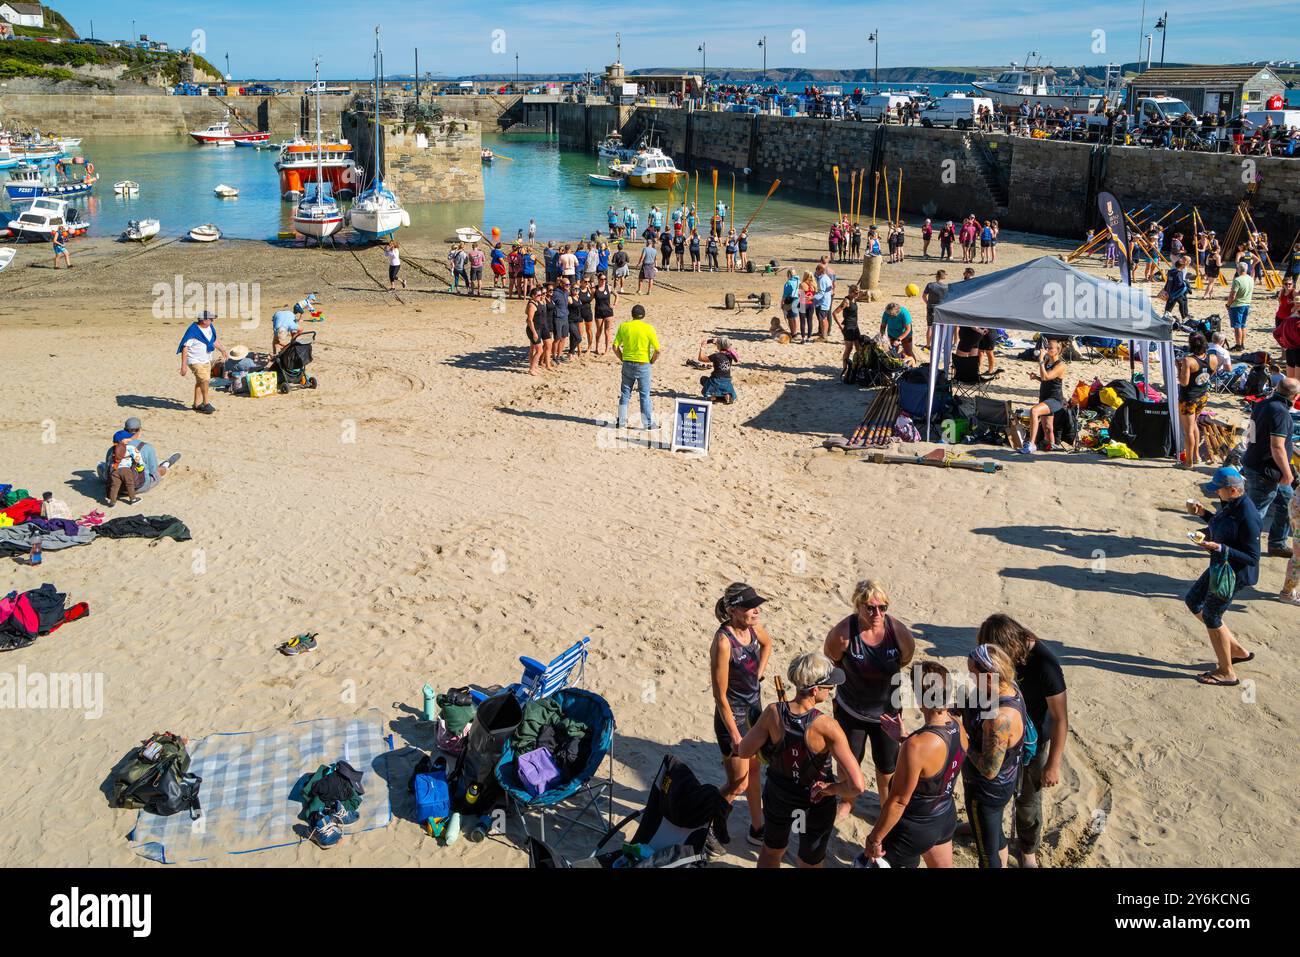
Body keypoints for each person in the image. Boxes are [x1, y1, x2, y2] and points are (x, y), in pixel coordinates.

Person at [735, 652, 866, 868]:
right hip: (814, 802)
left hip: (779, 795)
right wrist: (830, 789)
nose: (831, 689)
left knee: (771, 851)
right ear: (815, 690)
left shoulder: (773, 713)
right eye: (828, 687)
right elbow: (857, 785)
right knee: (808, 862)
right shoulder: (828, 727)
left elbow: (744, 751)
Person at [976, 615, 1067, 869]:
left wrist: (1054, 764)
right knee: (993, 787)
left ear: (1009, 647)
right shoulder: (1000, 659)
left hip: (1033, 740)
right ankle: (991, 829)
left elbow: (1060, 718)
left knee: (1027, 801)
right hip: (1002, 731)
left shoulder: (1045, 664)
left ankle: (1028, 851)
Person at [857, 661, 967, 868]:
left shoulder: (917, 746)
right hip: (944, 816)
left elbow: (899, 801)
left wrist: (874, 838)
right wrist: (905, 738)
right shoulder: (958, 725)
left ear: (920, 698)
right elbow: (938, 763)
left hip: (914, 827)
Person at [823, 578, 915, 822]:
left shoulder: (898, 633)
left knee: (887, 768)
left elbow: (905, 659)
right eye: (870, 608)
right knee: (848, 763)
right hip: (851, 711)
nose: (877, 613)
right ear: (858, 607)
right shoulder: (844, 633)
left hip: (887, 715)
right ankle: (848, 801)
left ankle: (886, 809)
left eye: (882, 607)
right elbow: (833, 658)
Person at [709, 583, 774, 846]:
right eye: (750, 607)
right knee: (738, 783)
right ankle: (710, 824)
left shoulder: (753, 628)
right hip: (732, 719)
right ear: (734, 610)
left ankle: (758, 829)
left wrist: (759, 674)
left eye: (757, 606)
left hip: (753, 713)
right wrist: (735, 734)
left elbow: (768, 645)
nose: (757, 611)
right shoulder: (724, 642)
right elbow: (720, 696)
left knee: (755, 771)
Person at [1184, 467, 1260, 686]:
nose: (1216, 493)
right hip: (1221, 565)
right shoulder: (1231, 504)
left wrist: (1219, 548)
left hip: (1234, 573)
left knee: (1211, 616)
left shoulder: (1248, 514)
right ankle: (1236, 650)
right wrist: (1203, 514)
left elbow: (1252, 557)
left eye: (1219, 490)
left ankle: (1227, 672)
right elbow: (1220, 523)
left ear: (1233, 490)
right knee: (1193, 600)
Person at [960, 644, 1030, 868]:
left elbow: (989, 770)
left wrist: (964, 744)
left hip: (985, 791)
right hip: (1005, 783)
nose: (970, 677)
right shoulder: (1010, 688)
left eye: (973, 672)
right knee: (994, 835)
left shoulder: (999, 718)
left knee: (986, 855)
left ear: (989, 676)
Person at [1241, 377, 1298, 558]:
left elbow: (1251, 433)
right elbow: (1277, 446)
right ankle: (1243, 549)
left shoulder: (1262, 404)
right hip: (1266, 471)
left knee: (1287, 504)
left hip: (1259, 464)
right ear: (1295, 396)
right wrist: (1288, 473)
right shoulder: (1280, 412)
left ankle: (1277, 544)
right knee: (1256, 512)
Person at [612, 303, 659, 430]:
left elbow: (615, 347)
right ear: (643, 315)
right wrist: (651, 361)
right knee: (644, 395)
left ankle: (621, 422)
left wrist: (622, 357)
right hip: (643, 364)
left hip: (627, 363)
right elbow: (658, 350)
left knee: (625, 394)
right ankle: (648, 424)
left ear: (632, 315)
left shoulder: (624, 327)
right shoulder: (648, 328)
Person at [1020, 336, 1068, 454]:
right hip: (1045, 397)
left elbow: (1046, 376)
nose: (1047, 349)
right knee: (1048, 428)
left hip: (1055, 399)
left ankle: (1031, 444)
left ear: (1058, 350)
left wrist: (1041, 360)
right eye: (1047, 347)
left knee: (1034, 411)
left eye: (1050, 348)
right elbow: (1044, 379)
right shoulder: (1047, 361)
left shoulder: (1060, 365)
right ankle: (1052, 449)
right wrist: (1036, 377)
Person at [1177, 332, 1217, 469]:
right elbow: (1210, 374)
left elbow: (1183, 382)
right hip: (1202, 396)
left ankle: (1189, 462)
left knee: (1188, 430)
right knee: (1194, 424)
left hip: (1189, 398)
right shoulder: (1212, 358)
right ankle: (1197, 456)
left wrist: (1179, 368)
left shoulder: (1189, 361)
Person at [177, 311, 226, 414]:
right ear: (203, 320)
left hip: (206, 359)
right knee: (205, 379)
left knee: (200, 382)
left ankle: (196, 404)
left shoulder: (210, 327)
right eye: (210, 319)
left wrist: (223, 350)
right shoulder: (193, 331)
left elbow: (213, 341)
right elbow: (185, 348)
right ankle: (206, 403)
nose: (212, 321)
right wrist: (183, 366)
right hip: (194, 360)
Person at [105, 430, 143, 507]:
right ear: (123, 440)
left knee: (114, 485)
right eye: (128, 438)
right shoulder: (129, 447)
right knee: (129, 483)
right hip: (125, 469)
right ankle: (133, 499)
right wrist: (140, 465)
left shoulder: (113, 449)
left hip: (114, 469)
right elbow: (137, 457)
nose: (130, 439)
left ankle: (112, 502)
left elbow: (109, 460)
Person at [831, 284, 863, 369]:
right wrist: (840, 326)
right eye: (856, 293)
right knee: (849, 349)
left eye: (858, 293)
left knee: (859, 348)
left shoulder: (854, 300)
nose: (858, 294)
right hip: (848, 327)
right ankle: (845, 369)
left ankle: (858, 367)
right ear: (851, 292)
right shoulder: (846, 301)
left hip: (855, 327)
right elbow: (834, 313)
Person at [698, 337, 737, 404]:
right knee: (723, 389)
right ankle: (725, 396)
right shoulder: (730, 356)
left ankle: (714, 397)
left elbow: (701, 358)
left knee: (703, 379)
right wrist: (718, 342)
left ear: (718, 345)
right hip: (727, 381)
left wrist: (702, 348)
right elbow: (729, 349)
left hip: (716, 380)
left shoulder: (716, 356)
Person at [1226, 260, 1254, 350]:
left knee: (1237, 326)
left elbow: (1232, 295)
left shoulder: (1237, 280)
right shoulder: (1250, 279)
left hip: (1237, 305)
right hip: (1247, 304)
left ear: (1238, 269)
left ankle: (1238, 345)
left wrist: (1228, 304)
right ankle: (1242, 344)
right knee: (1243, 325)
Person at [921, 270, 948, 349]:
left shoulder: (930, 285)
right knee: (941, 327)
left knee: (930, 326)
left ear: (936, 276)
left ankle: (928, 344)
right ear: (944, 277)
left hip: (931, 307)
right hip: (941, 308)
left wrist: (928, 303)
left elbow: (923, 296)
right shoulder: (946, 287)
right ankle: (940, 344)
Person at [592, 273, 616, 356]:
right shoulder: (595, 289)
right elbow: (590, 299)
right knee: (599, 330)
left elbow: (617, 295)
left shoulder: (608, 287)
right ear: (598, 280)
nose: (603, 281)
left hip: (608, 312)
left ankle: (606, 350)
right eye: (601, 279)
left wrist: (614, 305)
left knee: (607, 331)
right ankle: (596, 348)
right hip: (598, 312)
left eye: (605, 279)